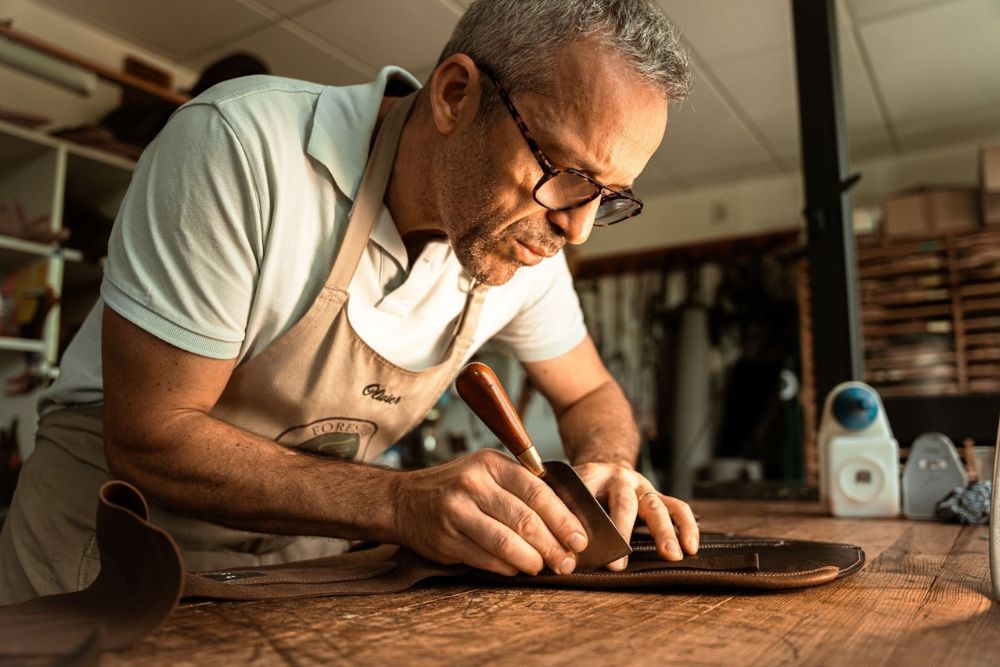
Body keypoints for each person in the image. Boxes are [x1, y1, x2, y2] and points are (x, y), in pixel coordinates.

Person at [0, 0, 697, 604]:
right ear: (456, 95)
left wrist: (605, 462)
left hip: (296, 577)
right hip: (104, 558)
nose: (575, 227)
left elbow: (590, 395)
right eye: (566, 173)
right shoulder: (244, 151)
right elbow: (149, 435)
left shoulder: (524, 241)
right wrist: (399, 500)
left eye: (607, 196)